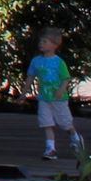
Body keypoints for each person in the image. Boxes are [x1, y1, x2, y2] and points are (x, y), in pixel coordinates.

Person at [29, 26, 75, 161]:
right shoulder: (36, 61)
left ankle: (74, 137)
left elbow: (66, 78)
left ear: (55, 45)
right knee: (46, 122)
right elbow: (30, 77)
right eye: (40, 42)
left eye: (45, 42)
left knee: (65, 122)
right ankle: (50, 148)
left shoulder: (59, 62)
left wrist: (61, 90)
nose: (41, 44)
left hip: (58, 99)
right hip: (44, 98)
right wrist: (24, 92)